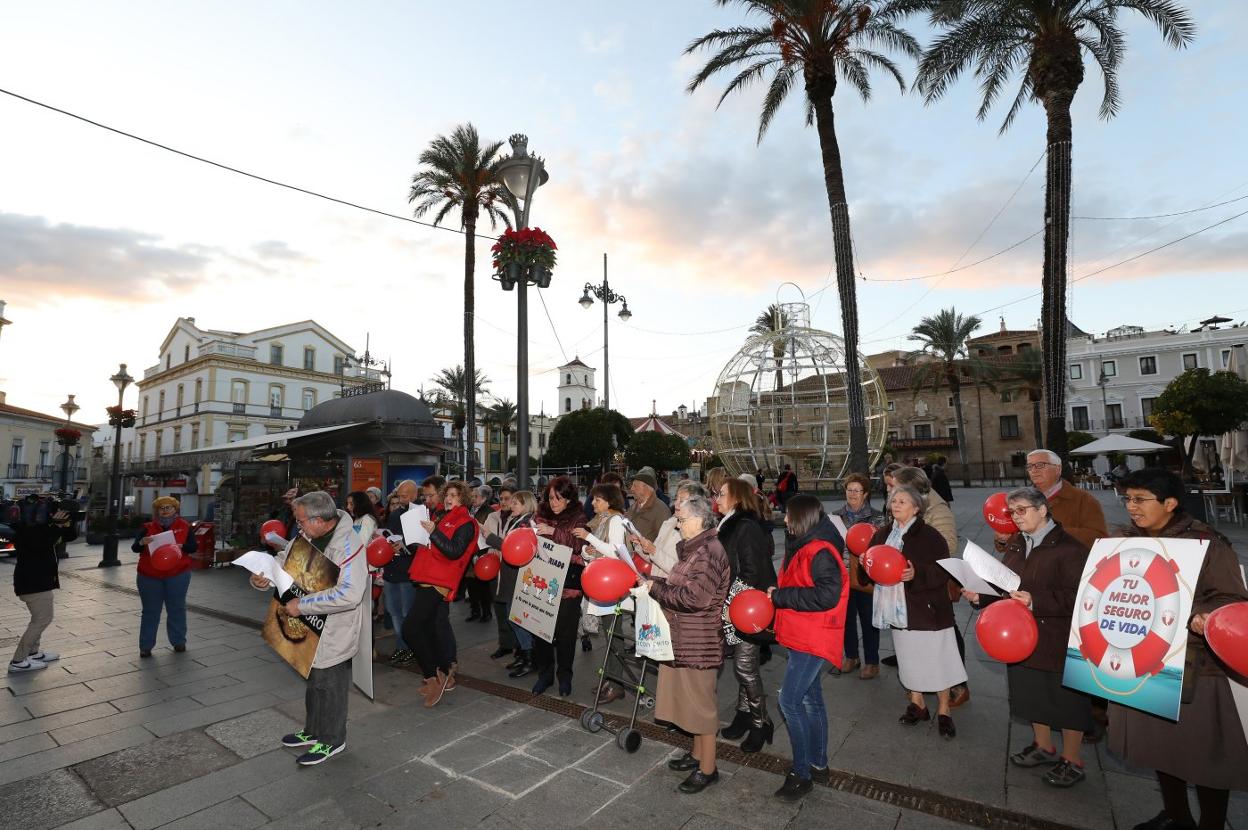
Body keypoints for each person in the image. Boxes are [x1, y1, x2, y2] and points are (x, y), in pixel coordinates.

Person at [1108, 469, 1248, 830]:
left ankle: (1212, 824)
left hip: (1196, 668)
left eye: (1140, 499)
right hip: (1146, 661)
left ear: (1169, 504)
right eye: (1128, 499)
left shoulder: (1207, 543)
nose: (1131, 507)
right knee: (1162, 749)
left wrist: (1202, 616)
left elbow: (1233, 599)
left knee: (1204, 757)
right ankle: (1176, 815)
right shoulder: (1124, 540)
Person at [962, 487, 1093, 788]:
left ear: (1043, 510)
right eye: (1012, 512)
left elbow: (1081, 597)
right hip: (1021, 637)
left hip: (1056, 636)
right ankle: (1043, 746)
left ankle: (1072, 760)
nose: (1015, 517)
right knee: (1031, 693)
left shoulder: (1070, 549)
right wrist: (979, 597)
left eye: (1021, 510)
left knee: (1067, 700)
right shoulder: (1018, 545)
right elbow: (1004, 585)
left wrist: (1036, 601)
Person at [251, 491, 366, 765]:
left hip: (334, 629)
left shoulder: (349, 546)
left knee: (330, 685)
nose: (297, 526)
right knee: (313, 681)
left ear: (319, 520)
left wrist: (302, 606)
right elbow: (285, 560)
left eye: (301, 521)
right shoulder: (307, 536)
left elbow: (350, 593)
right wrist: (264, 577)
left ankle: (332, 740)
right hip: (310, 626)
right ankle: (313, 731)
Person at [648, 494, 731, 794]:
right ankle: (697, 755)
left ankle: (708, 769)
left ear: (698, 519)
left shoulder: (708, 551)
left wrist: (656, 588)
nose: (679, 525)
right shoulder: (697, 549)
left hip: (699, 641)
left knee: (701, 706)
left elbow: (696, 598)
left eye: (682, 520)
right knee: (690, 703)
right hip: (685, 637)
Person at [769, 494, 849, 801]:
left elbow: (826, 595)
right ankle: (819, 764)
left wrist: (781, 596)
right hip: (805, 634)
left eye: (788, 515)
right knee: (812, 700)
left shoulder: (819, 550)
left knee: (789, 702)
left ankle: (801, 773)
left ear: (801, 517)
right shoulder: (806, 544)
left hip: (813, 637)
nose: (785, 520)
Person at [871, 485, 966, 739]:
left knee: (938, 660)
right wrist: (866, 566)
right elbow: (870, 567)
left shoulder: (930, 536)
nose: (896, 504)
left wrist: (917, 574)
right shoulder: (881, 534)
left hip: (929, 609)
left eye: (902, 500)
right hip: (898, 610)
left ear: (916, 508)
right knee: (908, 658)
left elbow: (944, 570)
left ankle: (944, 710)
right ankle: (918, 704)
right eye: (893, 500)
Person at [403, 479, 478, 708]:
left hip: (439, 581)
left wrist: (434, 532)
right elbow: (433, 547)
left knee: (410, 628)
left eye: (454, 495)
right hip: (428, 578)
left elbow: (454, 552)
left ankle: (432, 676)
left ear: (463, 499)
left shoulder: (466, 522)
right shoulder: (442, 517)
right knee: (431, 628)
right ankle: (445, 672)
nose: (448, 498)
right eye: (447, 494)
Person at [715, 478, 777, 753]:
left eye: (721, 493)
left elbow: (752, 572)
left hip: (748, 607)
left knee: (744, 667)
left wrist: (731, 602)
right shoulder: (730, 522)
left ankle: (760, 722)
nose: (716, 497)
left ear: (736, 498)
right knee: (744, 664)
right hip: (736, 603)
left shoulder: (746, 526)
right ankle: (743, 713)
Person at [574, 482, 632, 702]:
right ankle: (611, 679)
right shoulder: (605, 520)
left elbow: (616, 551)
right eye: (593, 499)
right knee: (610, 634)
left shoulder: (615, 520)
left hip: (613, 586)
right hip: (606, 583)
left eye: (598, 499)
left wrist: (588, 539)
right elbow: (598, 551)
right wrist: (588, 551)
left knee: (614, 635)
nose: (593, 503)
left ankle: (616, 683)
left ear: (610, 501)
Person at [531, 475, 589, 696]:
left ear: (568, 499)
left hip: (568, 586)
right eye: (550, 497)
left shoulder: (579, 517)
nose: (553, 502)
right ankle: (545, 675)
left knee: (565, 635)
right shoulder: (540, 514)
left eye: (558, 498)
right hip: (542, 582)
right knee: (540, 630)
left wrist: (553, 532)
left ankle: (565, 676)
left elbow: (579, 544)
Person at [7, 494, 76, 673]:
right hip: (33, 583)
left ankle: (33, 653)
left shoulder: (42, 527)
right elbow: (41, 543)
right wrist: (54, 525)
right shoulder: (28, 531)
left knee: (38, 618)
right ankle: (18, 660)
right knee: (42, 619)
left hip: (40, 581)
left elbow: (70, 536)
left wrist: (67, 521)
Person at [833, 473, 885, 679]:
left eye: (857, 490)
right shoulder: (835, 516)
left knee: (868, 619)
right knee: (846, 619)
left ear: (865, 494)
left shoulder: (877, 517)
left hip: (866, 576)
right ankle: (851, 656)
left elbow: (882, 547)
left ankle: (872, 662)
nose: (852, 494)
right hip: (843, 576)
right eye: (849, 489)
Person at [131, 496, 197, 658]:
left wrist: (183, 546)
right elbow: (134, 548)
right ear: (157, 511)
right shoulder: (147, 527)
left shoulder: (185, 526)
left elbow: (193, 547)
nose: (165, 510)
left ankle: (178, 641)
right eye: (162, 508)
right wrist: (142, 543)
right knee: (150, 611)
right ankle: (146, 646)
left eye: (169, 507)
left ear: (175, 510)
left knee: (177, 608)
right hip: (149, 575)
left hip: (178, 574)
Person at [489, 489, 539, 678]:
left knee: (517, 618)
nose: (511, 505)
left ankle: (529, 658)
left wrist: (489, 537)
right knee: (514, 617)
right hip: (512, 575)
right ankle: (525, 655)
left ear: (526, 504)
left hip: (518, 577)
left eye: (515, 503)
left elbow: (512, 548)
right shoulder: (519, 521)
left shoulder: (527, 523)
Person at [1015, 450, 1107, 549]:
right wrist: (1004, 540)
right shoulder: (1021, 500)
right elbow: (1014, 540)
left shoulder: (1083, 500)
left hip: (1068, 563)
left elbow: (1100, 539)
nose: (1034, 470)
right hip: (1029, 562)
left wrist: (1055, 533)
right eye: (1030, 466)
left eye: (1040, 465)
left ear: (1058, 469)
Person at [381, 480, 421, 667]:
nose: (401, 498)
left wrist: (405, 546)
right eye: (399, 495)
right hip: (391, 569)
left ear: (414, 495)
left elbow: (421, 544)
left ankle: (410, 647)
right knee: (394, 611)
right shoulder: (395, 514)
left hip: (408, 571)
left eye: (404, 495)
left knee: (406, 612)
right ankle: (401, 645)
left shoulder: (420, 513)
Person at [632, 482, 704, 579]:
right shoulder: (671, 522)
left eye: (681, 500)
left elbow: (683, 572)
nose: (676, 503)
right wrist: (640, 545)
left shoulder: (696, 532)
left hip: (672, 588)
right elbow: (654, 560)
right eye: (676, 499)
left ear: (696, 504)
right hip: (658, 586)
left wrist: (654, 550)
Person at [483, 483, 518, 660]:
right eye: (501, 498)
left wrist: (495, 541)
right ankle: (505, 644)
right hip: (493, 566)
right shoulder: (492, 516)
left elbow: (512, 546)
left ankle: (519, 647)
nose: (503, 502)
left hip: (510, 569)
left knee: (513, 610)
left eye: (507, 499)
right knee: (499, 608)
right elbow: (484, 538)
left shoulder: (518, 518)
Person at [463, 485, 495, 623]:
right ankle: (475, 610)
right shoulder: (469, 509)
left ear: (484, 498)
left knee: (482, 584)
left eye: (475, 496)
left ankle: (486, 612)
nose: (472, 498)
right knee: (471, 583)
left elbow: (489, 531)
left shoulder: (489, 511)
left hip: (482, 550)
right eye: (472, 496)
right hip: (470, 550)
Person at [628, 468, 671, 542]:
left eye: (635, 486)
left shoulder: (661, 510)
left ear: (646, 487)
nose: (632, 488)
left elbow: (665, 541)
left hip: (646, 553)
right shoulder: (633, 507)